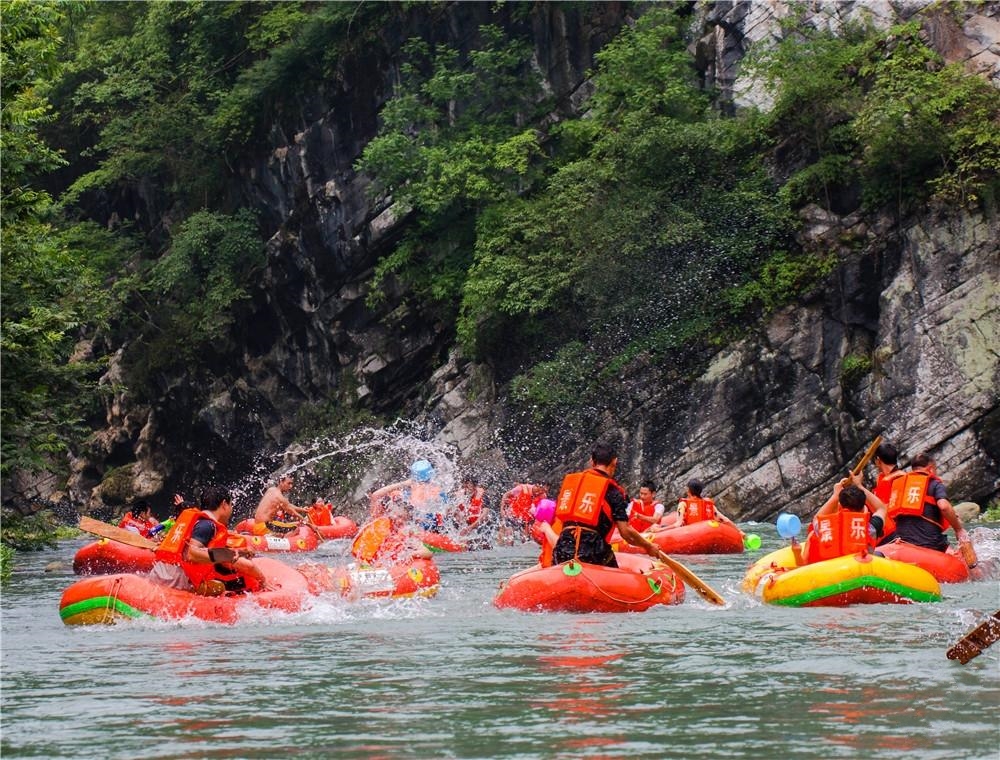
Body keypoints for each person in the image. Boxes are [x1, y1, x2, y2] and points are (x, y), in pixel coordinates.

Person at [550, 443, 664, 567]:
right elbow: (626, 533)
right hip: (592, 551)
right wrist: (648, 547)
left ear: (592, 462)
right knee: (619, 579)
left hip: (562, 548)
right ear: (614, 462)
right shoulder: (614, 492)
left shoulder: (572, 485)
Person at [150, 486, 266, 595]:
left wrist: (239, 552)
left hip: (159, 573)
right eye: (231, 505)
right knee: (220, 587)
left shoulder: (196, 521)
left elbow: (203, 551)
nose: (231, 509)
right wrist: (263, 580)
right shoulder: (207, 525)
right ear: (224, 504)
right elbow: (192, 553)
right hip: (175, 580)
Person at [883, 452, 974, 557]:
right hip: (931, 544)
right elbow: (944, 506)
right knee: (962, 558)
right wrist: (959, 529)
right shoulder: (935, 484)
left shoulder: (899, 485)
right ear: (931, 468)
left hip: (903, 542)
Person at [798, 474, 887, 564]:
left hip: (830, 572)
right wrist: (860, 486)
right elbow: (881, 509)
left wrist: (835, 495)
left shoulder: (825, 527)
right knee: (879, 555)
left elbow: (816, 519)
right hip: (858, 570)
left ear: (841, 504)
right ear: (863, 507)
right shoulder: (870, 529)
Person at [368, 459, 448, 531]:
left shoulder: (437, 494)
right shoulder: (405, 497)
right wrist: (404, 484)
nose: (398, 518)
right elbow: (375, 496)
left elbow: (376, 495)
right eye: (397, 516)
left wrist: (404, 484)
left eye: (399, 517)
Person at [871, 441, 905, 543]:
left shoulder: (886, 482)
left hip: (893, 532)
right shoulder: (904, 475)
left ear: (878, 460)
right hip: (904, 527)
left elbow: (882, 508)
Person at [670, 479, 737, 528]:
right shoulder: (708, 504)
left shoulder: (683, 504)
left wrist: (661, 530)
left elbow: (678, 524)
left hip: (690, 535)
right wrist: (740, 532)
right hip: (709, 532)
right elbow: (725, 520)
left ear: (688, 491)